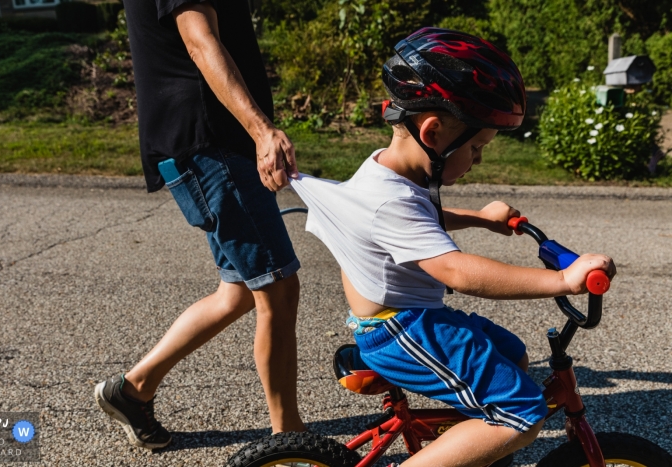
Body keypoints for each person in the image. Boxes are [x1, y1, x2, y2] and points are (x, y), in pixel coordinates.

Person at [289, 28, 616, 467]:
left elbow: (416, 223)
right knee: (523, 410)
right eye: (477, 147)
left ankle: (476, 448)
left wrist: (480, 218)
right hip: (406, 331)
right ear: (433, 130)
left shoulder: (389, 173)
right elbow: (456, 271)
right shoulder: (392, 200)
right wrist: (563, 279)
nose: (478, 159)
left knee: (513, 353)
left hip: (412, 319)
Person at [94, 0, 306, 449]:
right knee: (278, 288)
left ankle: (132, 391)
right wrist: (261, 130)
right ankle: (290, 442)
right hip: (211, 144)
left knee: (239, 292)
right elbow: (198, 40)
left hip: (206, 143)